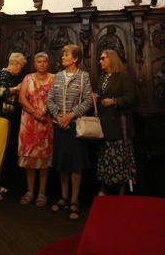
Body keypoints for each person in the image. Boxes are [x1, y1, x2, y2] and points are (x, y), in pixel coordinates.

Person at [46, 44, 93, 219]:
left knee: (76, 164)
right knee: (62, 164)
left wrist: (71, 115)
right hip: (60, 126)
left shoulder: (84, 77)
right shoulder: (57, 76)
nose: (62, 57)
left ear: (75, 58)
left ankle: (74, 200)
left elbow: (88, 101)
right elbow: (50, 99)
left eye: (66, 55)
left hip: (75, 127)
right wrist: (59, 116)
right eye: (63, 54)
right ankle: (64, 197)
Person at [0, 52, 26, 201]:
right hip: (0, 116)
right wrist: (17, 88)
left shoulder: (1, 73)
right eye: (20, 67)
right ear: (15, 63)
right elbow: (1, 92)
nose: (20, 70)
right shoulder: (4, 74)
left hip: (0, 116)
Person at [95, 49, 136, 196]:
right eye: (100, 59)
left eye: (103, 58)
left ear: (111, 59)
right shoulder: (102, 78)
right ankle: (104, 187)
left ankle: (122, 190)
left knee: (121, 158)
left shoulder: (123, 76)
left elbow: (131, 97)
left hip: (119, 124)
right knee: (105, 158)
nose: (100, 61)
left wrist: (114, 101)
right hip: (105, 124)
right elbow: (101, 95)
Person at [18, 52, 54, 207]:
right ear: (34, 64)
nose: (42, 64)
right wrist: (34, 112)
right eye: (39, 61)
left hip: (46, 121)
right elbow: (22, 98)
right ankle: (30, 191)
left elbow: (56, 97)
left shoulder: (53, 78)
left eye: (45, 61)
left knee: (44, 160)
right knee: (30, 160)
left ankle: (42, 193)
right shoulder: (28, 78)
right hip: (29, 122)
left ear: (48, 63)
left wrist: (43, 111)